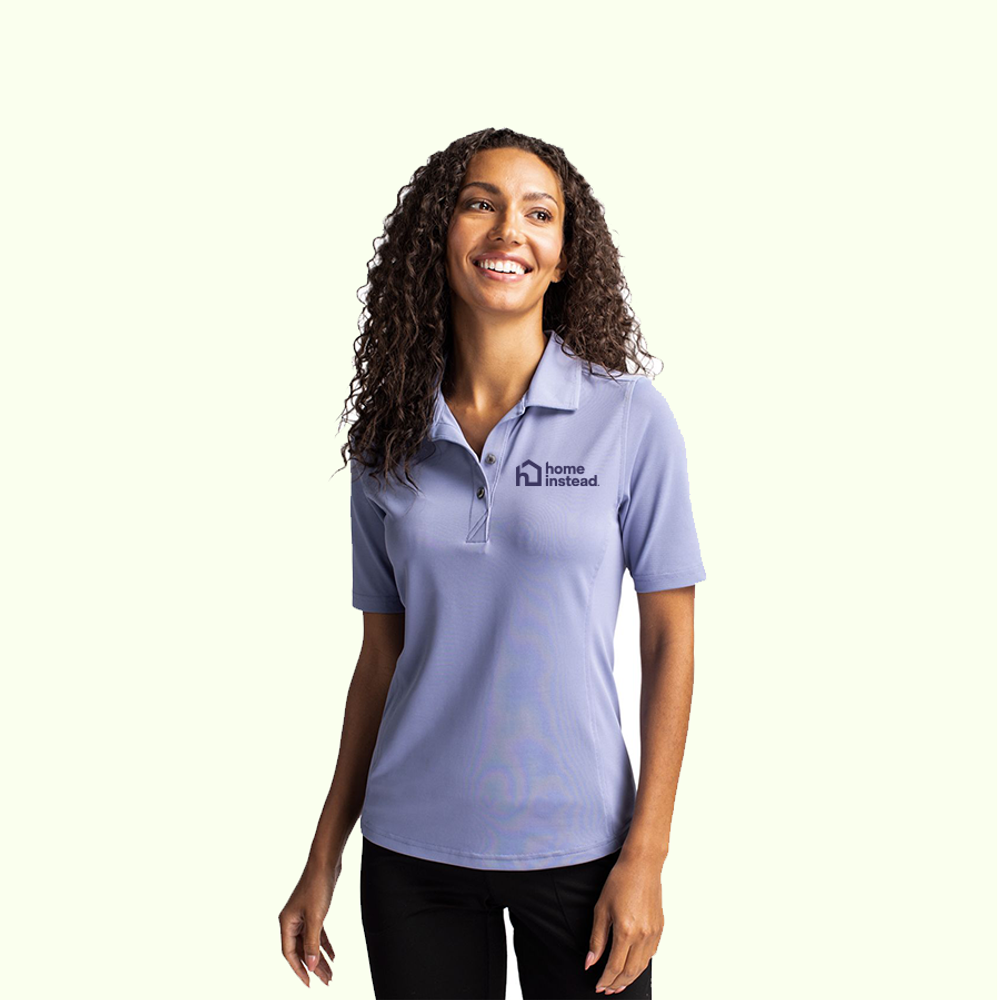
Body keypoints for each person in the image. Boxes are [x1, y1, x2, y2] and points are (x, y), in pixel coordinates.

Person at [279, 127, 706, 999]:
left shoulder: (631, 420)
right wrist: (324, 856)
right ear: (439, 236)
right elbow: (380, 660)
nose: (510, 229)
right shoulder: (387, 442)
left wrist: (648, 854)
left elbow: (670, 639)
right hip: (412, 857)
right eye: (482, 204)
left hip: (585, 852)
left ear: (563, 258)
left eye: (539, 214)